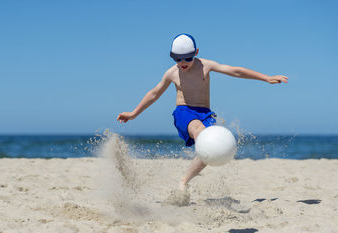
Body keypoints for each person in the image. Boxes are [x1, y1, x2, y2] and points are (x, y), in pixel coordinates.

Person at [117, 33, 288, 191]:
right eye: (177, 59)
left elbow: (235, 71)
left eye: (188, 58)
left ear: (196, 52)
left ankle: (183, 181)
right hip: (184, 113)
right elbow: (154, 93)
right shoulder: (172, 73)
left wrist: (266, 78)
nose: (183, 62)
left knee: (210, 149)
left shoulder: (206, 66)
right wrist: (133, 114)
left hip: (205, 113)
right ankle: (184, 181)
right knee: (202, 135)